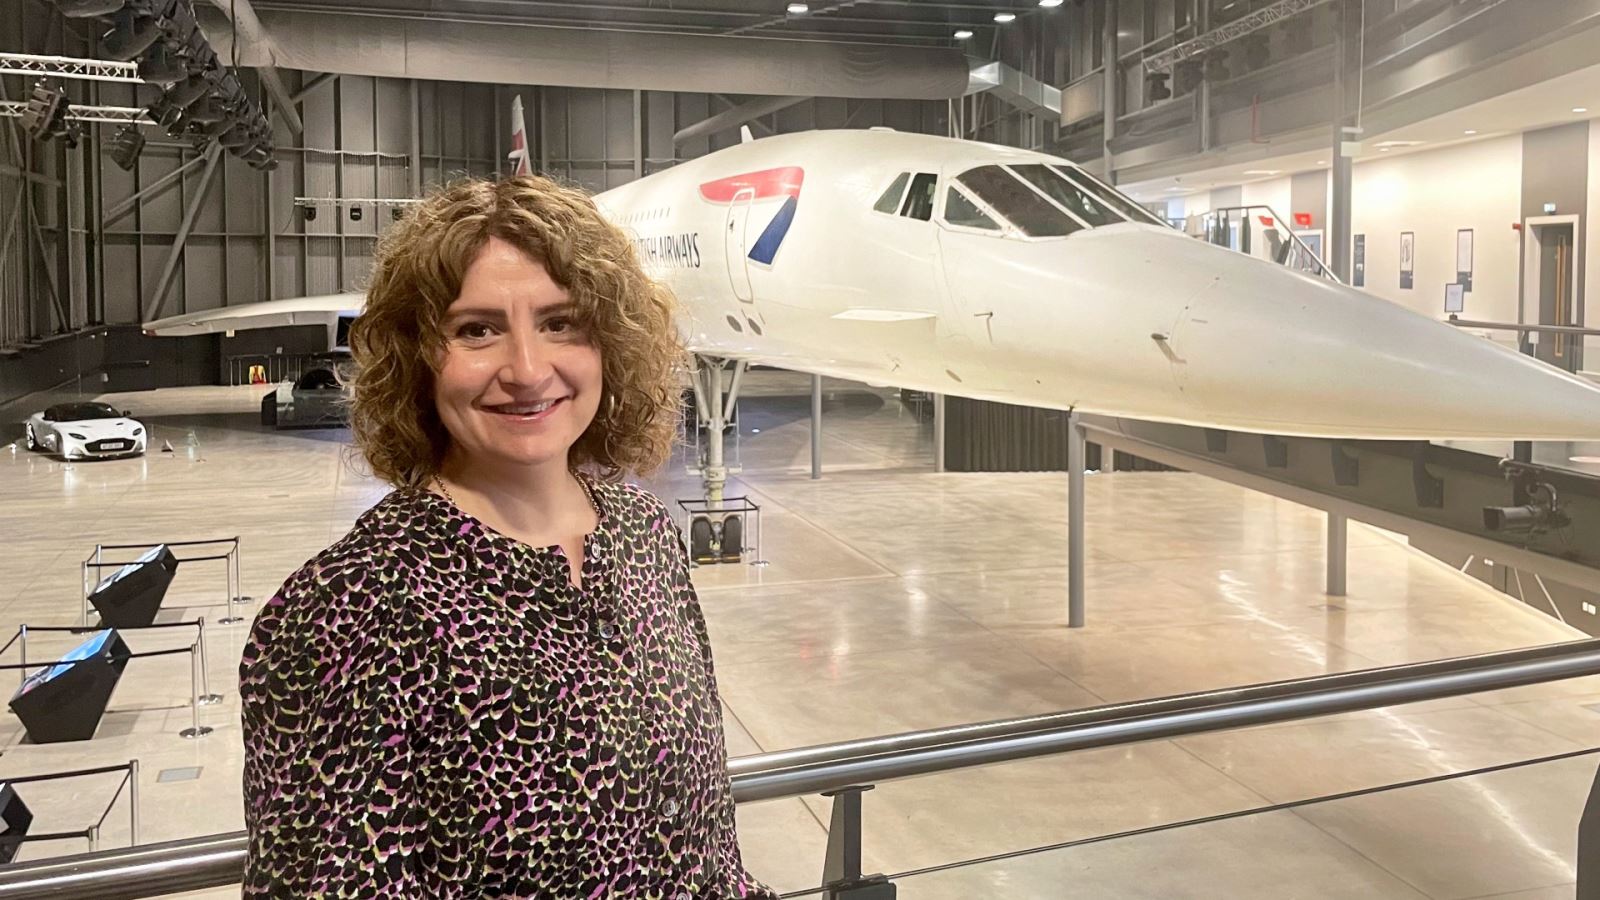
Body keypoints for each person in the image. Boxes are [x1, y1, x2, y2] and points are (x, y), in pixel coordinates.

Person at [240, 175, 775, 899]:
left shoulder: (643, 534)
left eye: (561, 323)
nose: (527, 370)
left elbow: (707, 846)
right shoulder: (349, 609)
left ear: (610, 344)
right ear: (418, 360)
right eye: (476, 330)